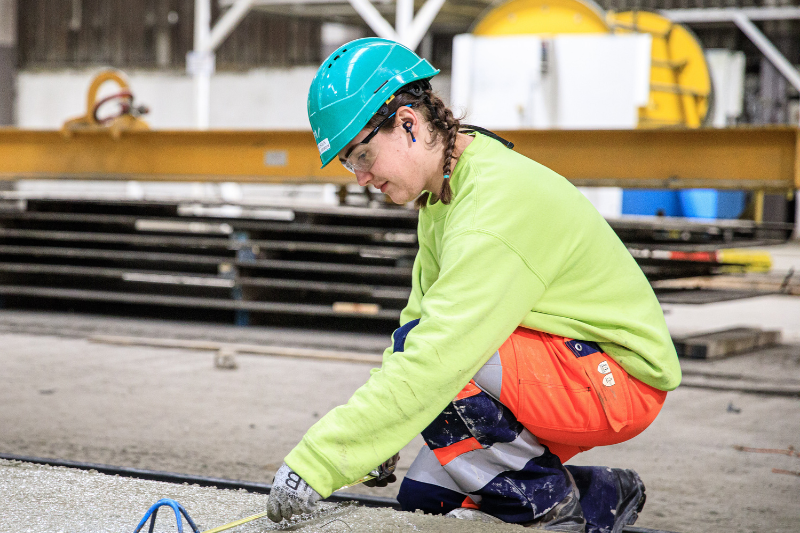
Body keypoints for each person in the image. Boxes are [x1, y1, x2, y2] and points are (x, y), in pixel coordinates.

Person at [266, 37, 681, 532]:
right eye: (349, 164)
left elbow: (437, 353)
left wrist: (319, 462)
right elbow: (418, 324)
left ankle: (555, 509)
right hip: (569, 368)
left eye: (361, 155)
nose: (360, 177)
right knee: (427, 498)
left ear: (407, 123)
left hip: (616, 381)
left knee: (444, 367)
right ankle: (600, 496)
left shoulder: (493, 203)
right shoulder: (443, 195)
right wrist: (378, 440)